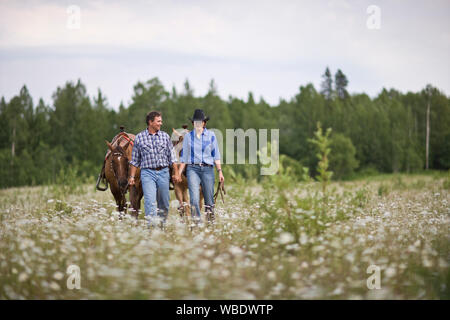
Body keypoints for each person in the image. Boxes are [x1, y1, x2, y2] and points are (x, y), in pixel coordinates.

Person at [173, 109, 224, 224]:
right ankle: (197, 225)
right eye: (195, 122)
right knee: (194, 199)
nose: (198, 124)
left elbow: (216, 155)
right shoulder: (188, 137)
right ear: (193, 124)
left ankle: (210, 224)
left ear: (204, 123)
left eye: (200, 122)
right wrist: (179, 173)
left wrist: (220, 171)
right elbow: (184, 157)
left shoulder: (211, 135)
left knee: (209, 200)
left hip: (208, 169)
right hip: (193, 169)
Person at [128, 111, 174, 228]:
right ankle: (152, 229)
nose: (161, 123)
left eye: (161, 121)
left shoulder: (165, 136)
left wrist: (177, 173)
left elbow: (172, 158)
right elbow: (134, 160)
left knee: (164, 204)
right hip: (147, 173)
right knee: (150, 202)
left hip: (164, 172)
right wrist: (132, 177)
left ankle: (161, 227)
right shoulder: (139, 138)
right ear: (150, 122)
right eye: (158, 121)